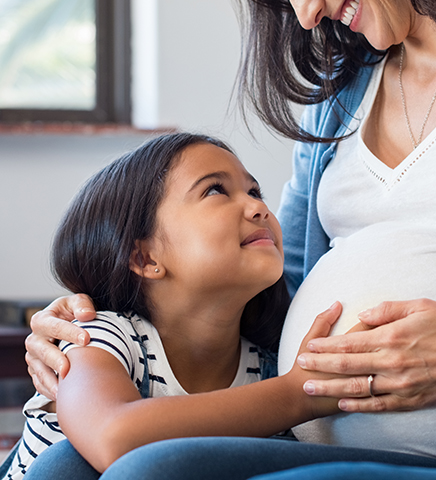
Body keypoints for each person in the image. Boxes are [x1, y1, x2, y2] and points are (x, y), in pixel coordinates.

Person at [22, 0, 436, 478]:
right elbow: (281, 285)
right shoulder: (340, 94)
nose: (304, 16)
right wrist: (86, 327)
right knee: (60, 466)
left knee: (149, 471)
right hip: (316, 436)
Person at [2, 132, 350, 480]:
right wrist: (298, 395)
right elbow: (113, 437)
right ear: (145, 257)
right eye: (216, 190)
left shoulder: (268, 365)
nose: (259, 207)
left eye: (255, 191)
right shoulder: (99, 338)